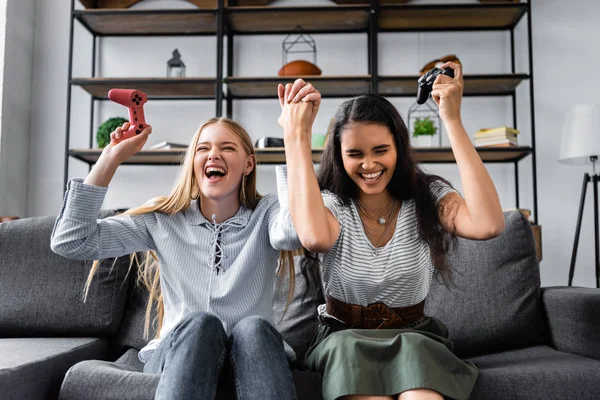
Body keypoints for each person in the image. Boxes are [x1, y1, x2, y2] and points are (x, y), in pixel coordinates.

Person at [276, 62, 505, 400]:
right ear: (340, 156)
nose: (369, 165)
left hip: (415, 336)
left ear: (398, 147)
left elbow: (488, 224)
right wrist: (296, 135)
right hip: (343, 338)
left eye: (380, 150)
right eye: (355, 154)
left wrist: (452, 120)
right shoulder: (333, 203)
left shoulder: (427, 196)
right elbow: (314, 238)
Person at [51, 117, 301, 400]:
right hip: (180, 355)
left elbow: (292, 235)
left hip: (253, 358)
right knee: (200, 324)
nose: (213, 154)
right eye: (202, 148)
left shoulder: (267, 213)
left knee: (254, 328)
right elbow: (72, 241)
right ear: (193, 163)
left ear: (248, 165)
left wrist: (294, 139)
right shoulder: (162, 219)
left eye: (228, 148)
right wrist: (111, 157)